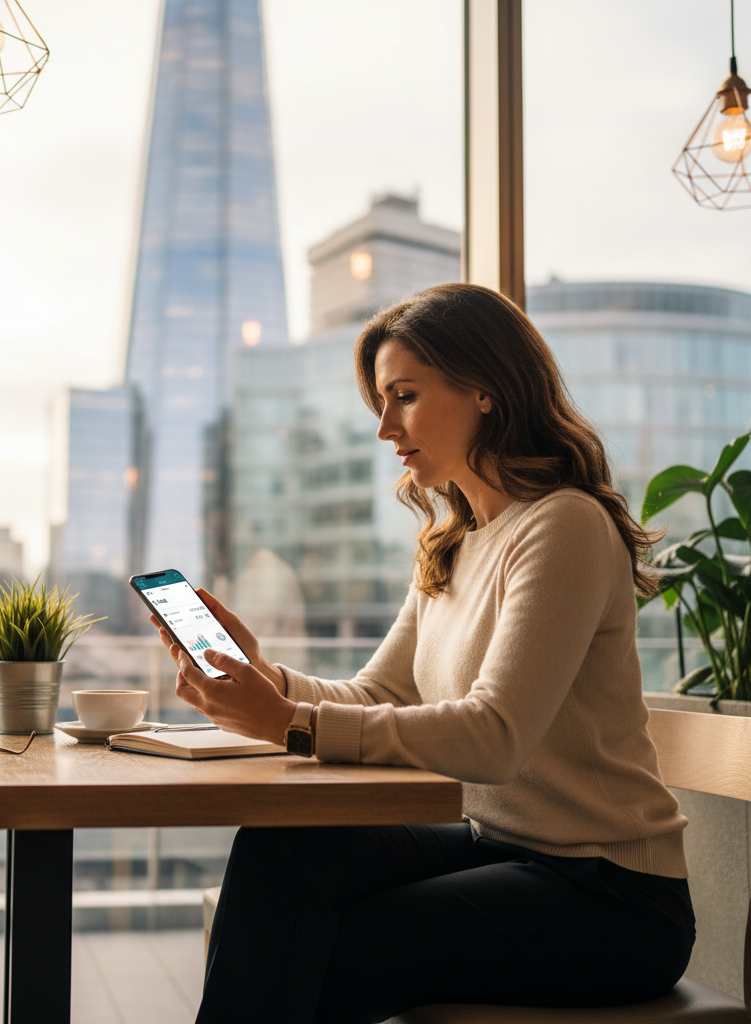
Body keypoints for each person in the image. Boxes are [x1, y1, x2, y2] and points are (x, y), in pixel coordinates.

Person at [153, 284, 695, 1024]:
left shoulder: (564, 526)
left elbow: (494, 735)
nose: (384, 428)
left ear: (485, 389)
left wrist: (289, 722)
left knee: (337, 945)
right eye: (382, 400)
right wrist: (265, 680)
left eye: (403, 396)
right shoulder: (455, 540)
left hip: (611, 894)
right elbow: (380, 696)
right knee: (282, 850)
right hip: (502, 844)